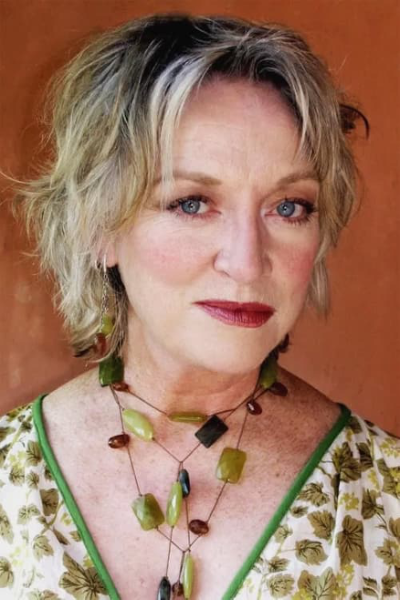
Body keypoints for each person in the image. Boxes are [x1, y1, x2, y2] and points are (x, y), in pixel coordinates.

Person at [0, 13, 398, 600]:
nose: (246, 261)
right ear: (98, 227)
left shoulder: (384, 497)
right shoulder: (10, 480)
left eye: (289, 207)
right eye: (191, 202)